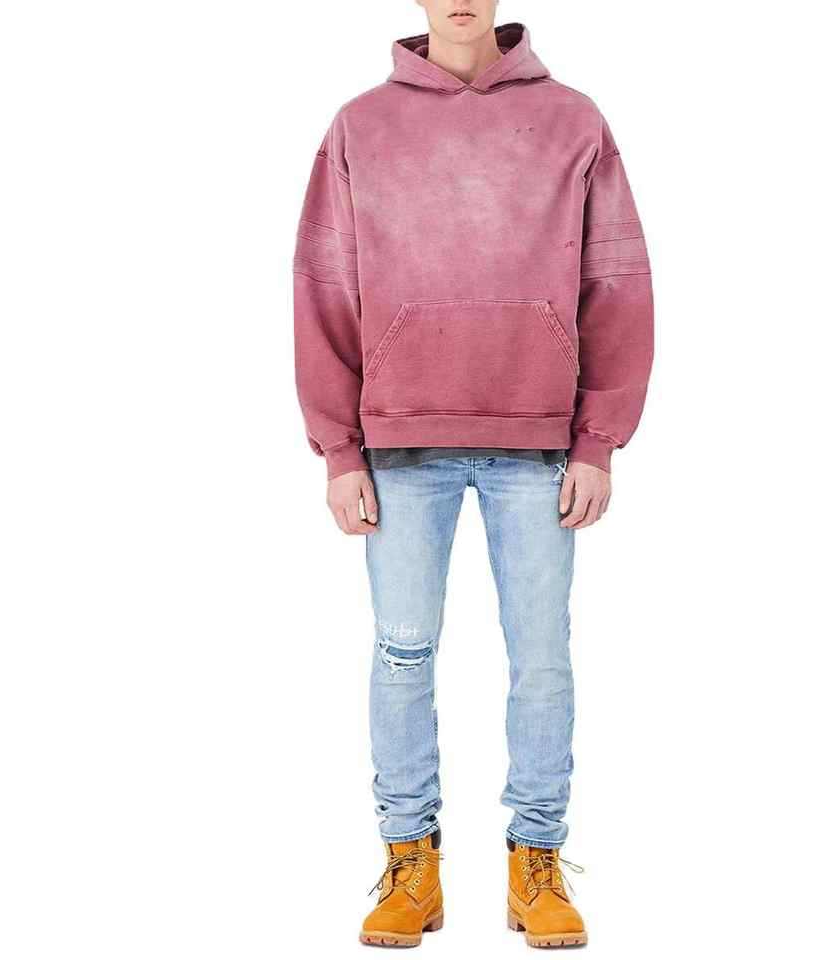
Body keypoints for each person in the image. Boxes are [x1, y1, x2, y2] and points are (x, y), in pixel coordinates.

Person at [293, 1, 653, 948]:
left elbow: (616, 283)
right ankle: (410, 863)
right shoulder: (360, 126)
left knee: (540, 661)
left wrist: (597, 439)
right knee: (402, 655)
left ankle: (536, 862)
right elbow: (325, 287)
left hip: (537, 444)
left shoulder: (573, 120)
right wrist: (338, 449)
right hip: (399, 446)